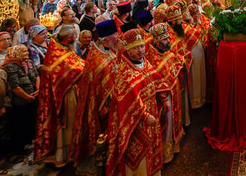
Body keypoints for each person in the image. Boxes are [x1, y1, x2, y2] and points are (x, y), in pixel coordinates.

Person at [105, 29, 163, 176]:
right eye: (136, 48)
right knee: (140, 155)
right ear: (128, 50)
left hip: (152, 112)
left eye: (142, 46)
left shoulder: (144, 62)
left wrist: (163, 97)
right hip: (136, 122)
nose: (140, 50)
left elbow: (154, 78)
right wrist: (144, 115)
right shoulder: (124, 74)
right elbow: (129, 100)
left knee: (152, 149)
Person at [70, 20, 118, 172]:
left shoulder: (107, 51)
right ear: (107, 38)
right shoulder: (97, 58)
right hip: (103, 103)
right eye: (115, 34)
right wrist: (104, 103)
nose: (118, 37)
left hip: (113, 98)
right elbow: (97, 85)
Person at [34, 25, 85, 167]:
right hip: (64, 96)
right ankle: (65, 154)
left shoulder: (65, 48)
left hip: (71, 92)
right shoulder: (56, 52)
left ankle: (73, 151)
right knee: (67, 124)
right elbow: (68, 72)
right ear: (69, 38)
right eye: (75, 35)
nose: (77, 38)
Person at [146, 23, 185, 163]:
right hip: (164, 99)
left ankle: (175, 146)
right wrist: (164, 99)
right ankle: (165, 153)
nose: (168, 41)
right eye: (164, 40)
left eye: (168, 38)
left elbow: (176, 62)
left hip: (174, 92)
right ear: (156, 42)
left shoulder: (167, 52)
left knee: (174, 120)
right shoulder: (151, 59)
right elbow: (155, 83)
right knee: (166, 126)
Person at [3, 45, 39, 153]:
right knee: (21, 124)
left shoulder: (29, 63)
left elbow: (37, 76)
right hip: (20, 102)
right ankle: (20, 148)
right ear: (16, 54)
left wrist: (38, 89)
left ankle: (30, 142)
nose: (27, 53)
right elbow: (15, 86)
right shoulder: (10, 67)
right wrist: (27, 97)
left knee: (31, 121)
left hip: (33, 97)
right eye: (24, 51)